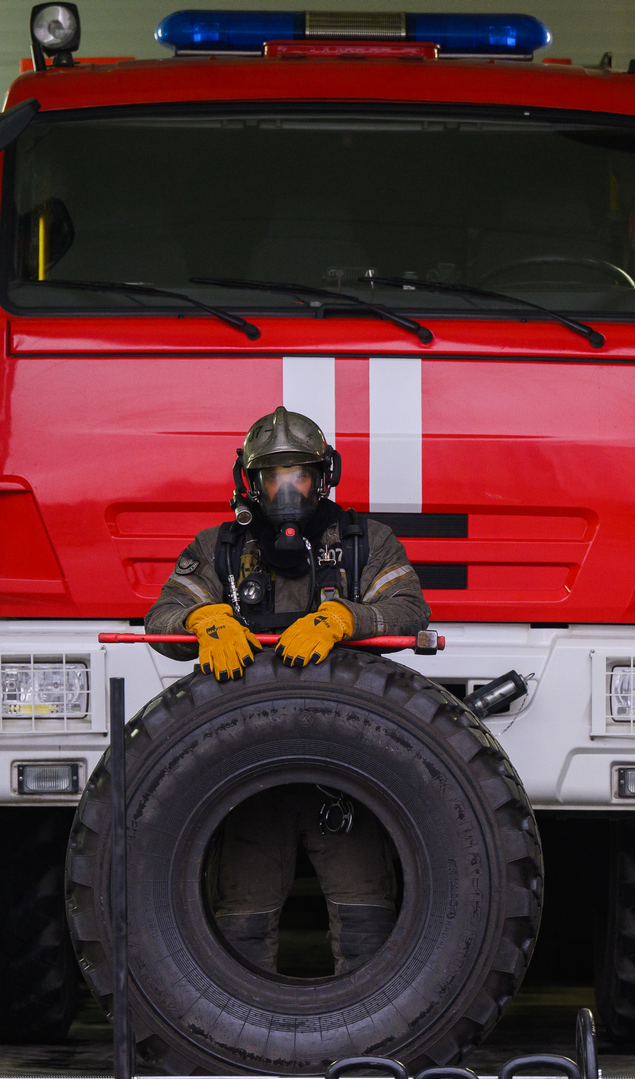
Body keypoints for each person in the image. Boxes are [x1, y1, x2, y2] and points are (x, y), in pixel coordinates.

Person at [146, 406, 430, 974]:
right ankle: (242, 1043)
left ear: (323, 477)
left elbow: (410, 609)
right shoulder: (219, 548)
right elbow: (162, 619)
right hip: (248, 768)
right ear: (250, 482)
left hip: (347, 766)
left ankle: (365, 1045)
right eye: (272, 476)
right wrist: (204, 621)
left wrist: (344, 619)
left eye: (299, 474)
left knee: (366, 914)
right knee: (239, 922)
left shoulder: (362, 543)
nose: (286, 490)